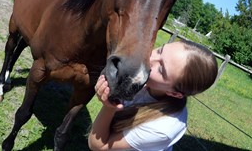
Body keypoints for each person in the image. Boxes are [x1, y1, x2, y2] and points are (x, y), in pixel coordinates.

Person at [88, 40, 218, 151]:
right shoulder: (146, 80)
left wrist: (109, 107)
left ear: (174, 93)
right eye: (160, 50)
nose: (150, 59)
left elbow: (98, 146)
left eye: (161, 70)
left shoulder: (163, 128)